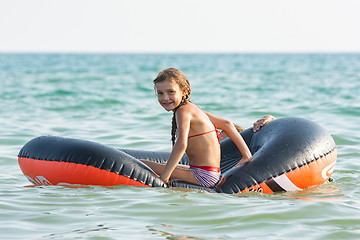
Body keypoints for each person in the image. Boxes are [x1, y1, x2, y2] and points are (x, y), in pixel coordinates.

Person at [141, 68, 273, 188]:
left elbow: (181, 144)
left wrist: (164, 178)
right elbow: (227, 124)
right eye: (160, 93)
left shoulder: (182, 111)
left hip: (203, 177)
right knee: (158, 165)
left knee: (141, 164)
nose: (165, 98)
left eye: (171, 92)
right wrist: (246, 156)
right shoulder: (194, 109)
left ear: (184, 91)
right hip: (210, 174)